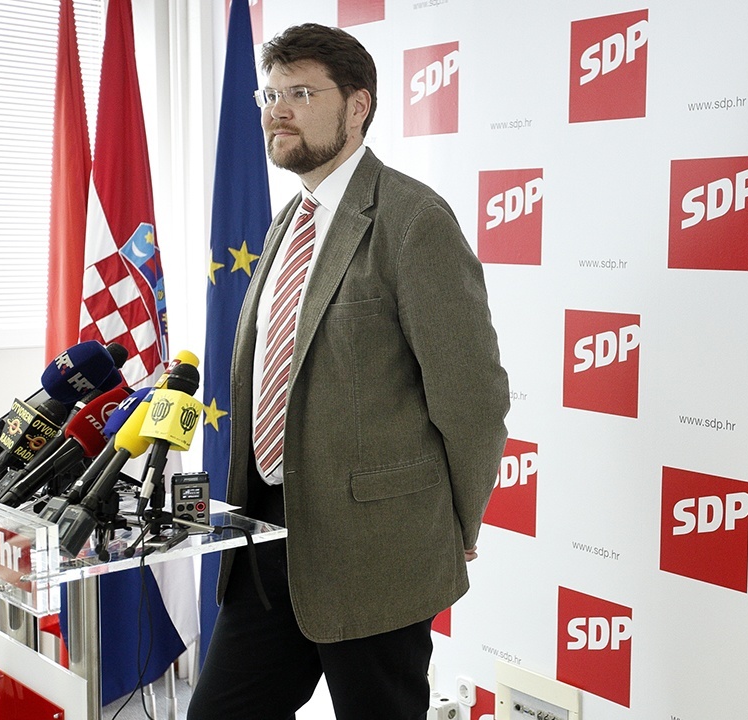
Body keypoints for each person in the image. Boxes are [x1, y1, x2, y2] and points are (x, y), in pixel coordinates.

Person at [187, 22, 510, 720]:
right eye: (270, 94)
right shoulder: (287, 221)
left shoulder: (412, 219)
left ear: (357, 106)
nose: (277, 110)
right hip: (266, 541)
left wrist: (455, 524)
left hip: (376, 550)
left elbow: (473, 397)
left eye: (301, 93)